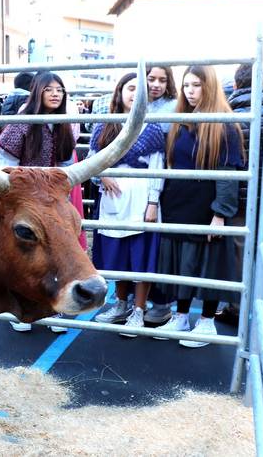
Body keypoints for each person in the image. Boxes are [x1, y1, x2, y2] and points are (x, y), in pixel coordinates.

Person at [153, 65, 244, 348]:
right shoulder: (182, 120)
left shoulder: (225, 123)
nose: (190, 91)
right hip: (178, 204)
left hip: (206, 208)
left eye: (196, 85)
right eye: (186, 85)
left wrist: (220, 214)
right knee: (181, 264)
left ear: (210, 86)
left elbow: (228, 173)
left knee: (208, 266)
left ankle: (206, 323)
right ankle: (180, 316)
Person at [0, 70, 82, 333]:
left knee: (56, 254)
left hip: (50, 197)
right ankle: (19, 310)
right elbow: (4, 163)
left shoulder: (63, 123)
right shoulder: (24, 120)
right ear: (38, 92)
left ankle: (52, 309)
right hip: (23, 198)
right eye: (49, 89)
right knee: (24, 256)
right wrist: (19, 190)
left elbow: (66, 165)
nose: (55, 94)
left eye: (60, 90)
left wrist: (58, 190)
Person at [89, 73, 165, 334]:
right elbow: (91, 159)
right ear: (120, 91)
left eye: (140, 89)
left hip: (141, 198)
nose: (135, 93)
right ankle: (121, 304)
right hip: (112, 199)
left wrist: (153, 202)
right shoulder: (105, 126)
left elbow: (157, 165)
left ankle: (139, 311)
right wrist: (103, 175)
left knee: (141, 256)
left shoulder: (152, 128)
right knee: (118, 254)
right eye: (130, 88)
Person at [216, 63, 263, 325]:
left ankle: (237, 308)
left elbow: (226, 164)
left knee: (239, 252)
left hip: (240, 198)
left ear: (236, 85)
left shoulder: (230, 118)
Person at [141, 65, 179, 325]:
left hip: (167, 181)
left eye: (162, 80)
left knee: (162, 242)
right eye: (151, 78)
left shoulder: (173, 106)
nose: (156, 84)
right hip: (136, 185)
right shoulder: (134, 101)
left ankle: (162, 302)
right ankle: (136, 301)